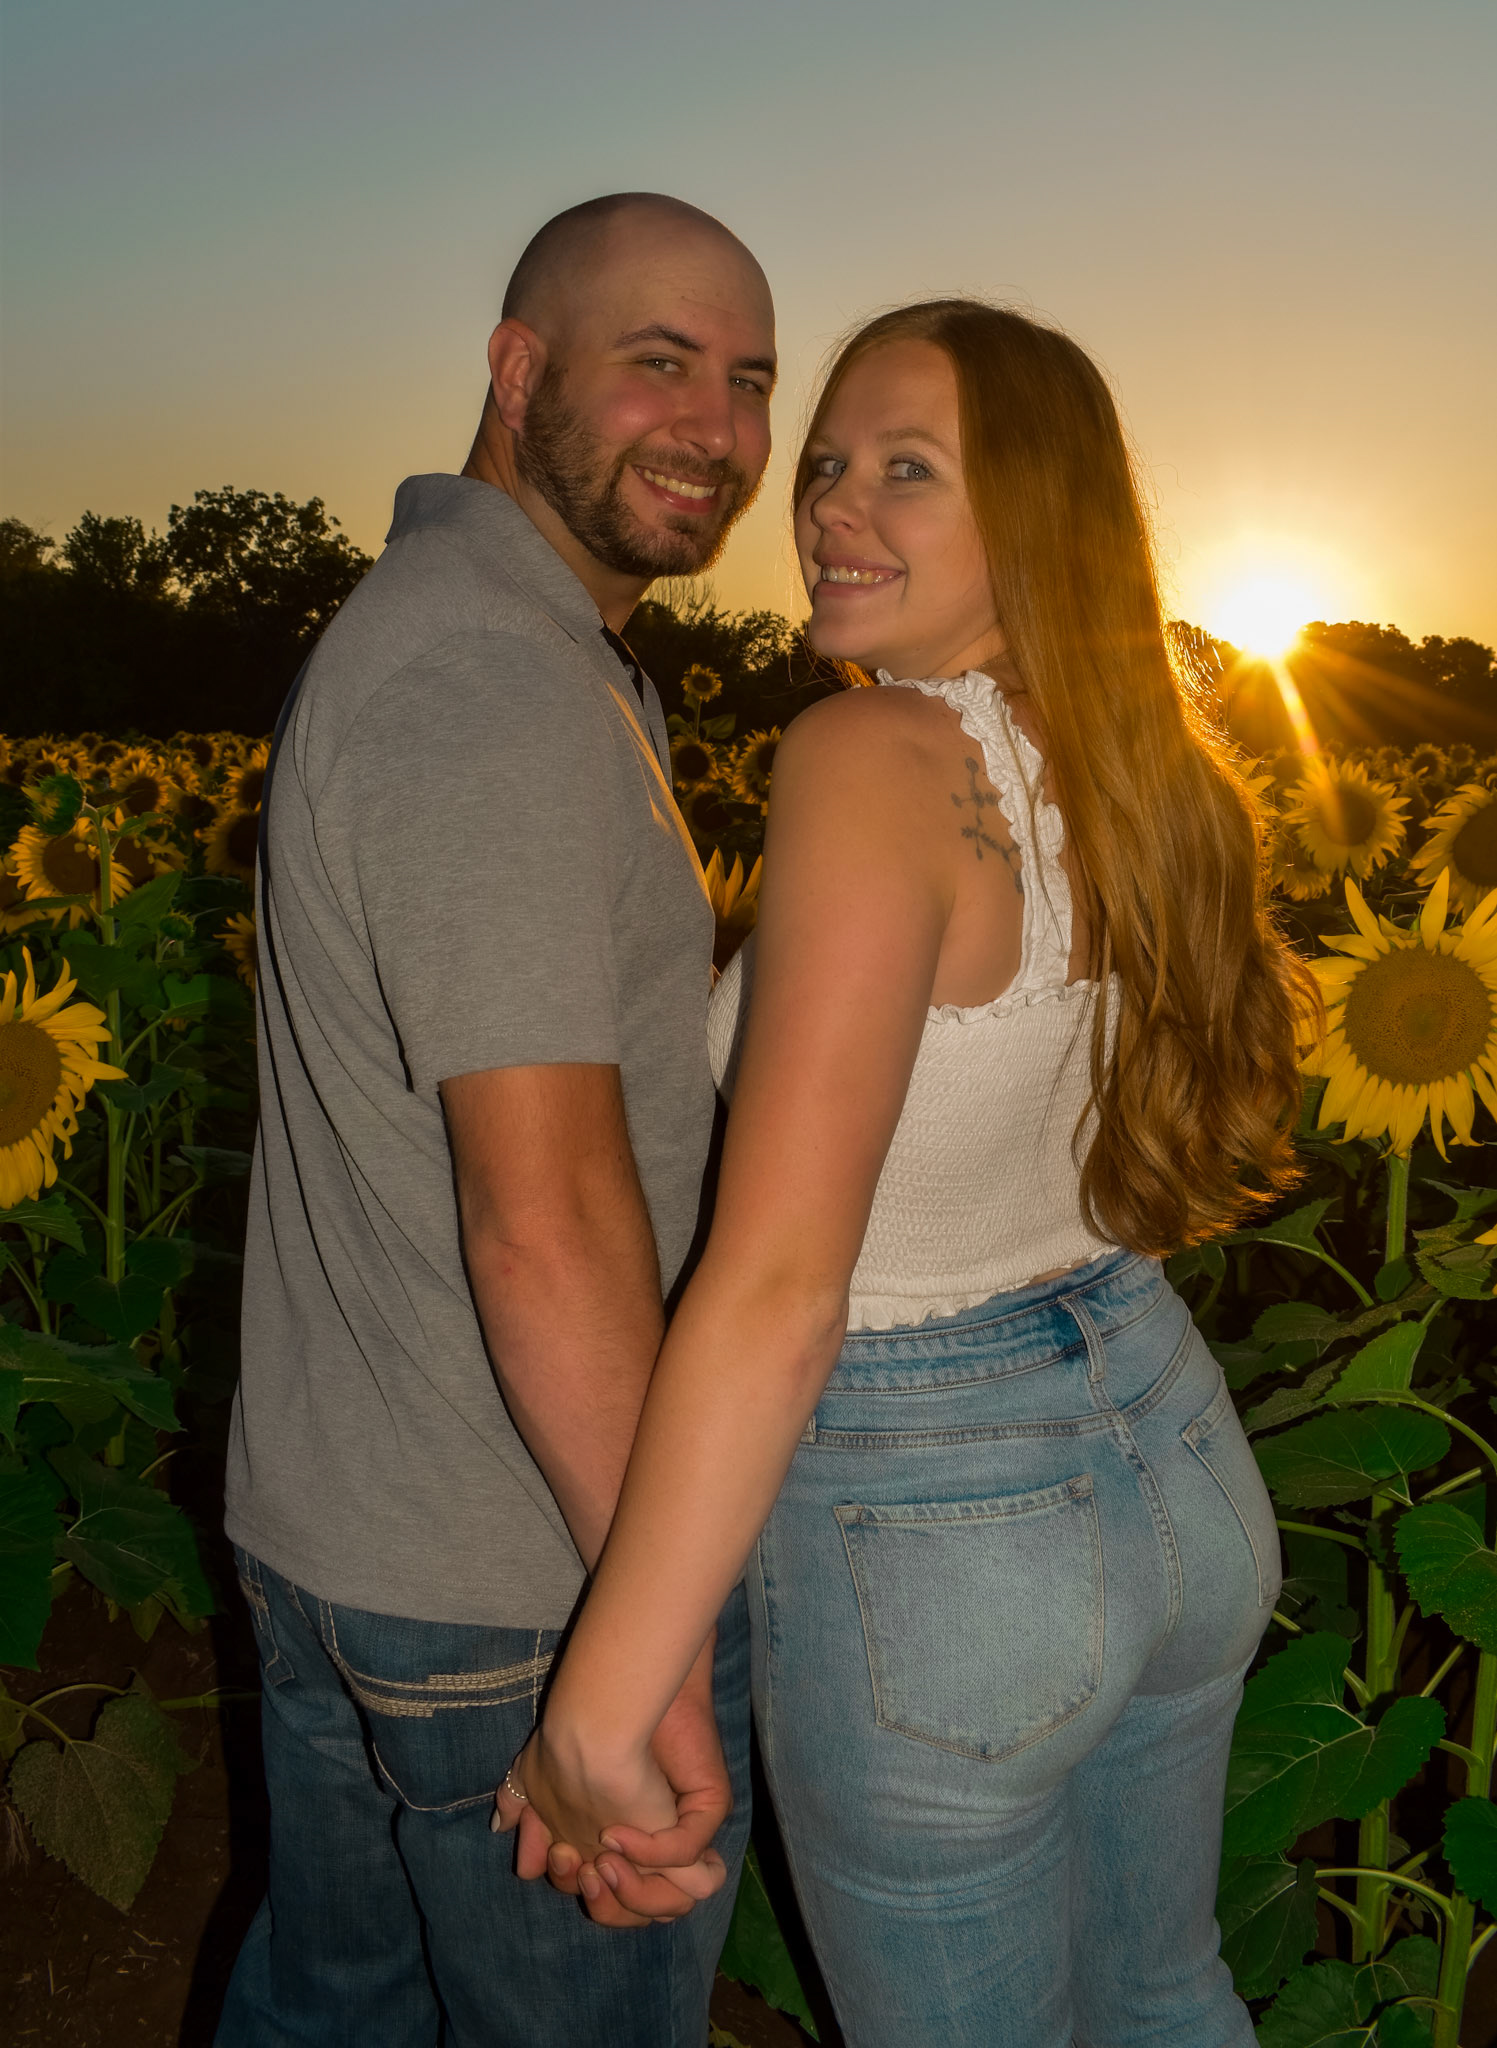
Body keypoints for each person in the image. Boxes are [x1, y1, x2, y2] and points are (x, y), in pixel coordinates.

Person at [496, 300, 1319, 2046]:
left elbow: (784, 1285)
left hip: (936, 1524)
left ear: (1035, 517)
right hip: (1170, 1448)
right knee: (1164, 1993)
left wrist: (600, 1702)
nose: (829, 507)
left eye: (907, 470)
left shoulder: (870, 758)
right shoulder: (1150, 773)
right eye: (825, 465)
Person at [217, 192, 777, 2048]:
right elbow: (541, 1219)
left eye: (748, 379)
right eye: (659, 362)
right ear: (516, 369)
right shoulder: (490, 682)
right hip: (517, 1587)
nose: (716, 425)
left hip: (368, 1527)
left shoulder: (485, 640)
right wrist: (646, 1651)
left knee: (332, 2015)